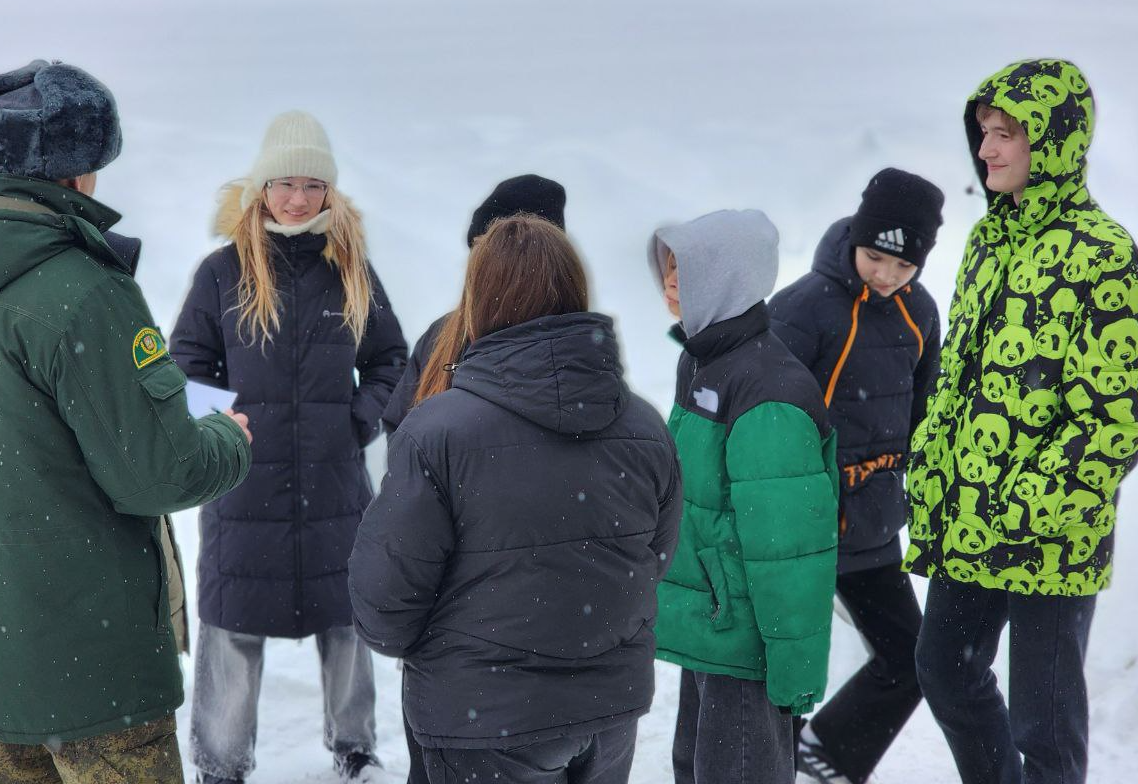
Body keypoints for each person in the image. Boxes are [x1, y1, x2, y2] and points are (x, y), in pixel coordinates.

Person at [0, 59, 253, 783]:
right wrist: (227, 438)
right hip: (93, 667)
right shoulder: (82, 291)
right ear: (81, 167)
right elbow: (161, 473)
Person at [349, 215, 682, 784]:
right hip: (606, 710)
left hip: (483, 717)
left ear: (479, 300)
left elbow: (384, 601)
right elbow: (653, 559)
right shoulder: (644, 426)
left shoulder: (438, 432)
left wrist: (450, 651)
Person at [905, 59, 1138, 784]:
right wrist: (933, 464)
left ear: (1053, 141)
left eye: (1006, 134)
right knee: (944, 668)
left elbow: (1120, 414)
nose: (987, 149)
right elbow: (958, 377)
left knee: (1044, 725)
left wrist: (1029, 503)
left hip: (1052, 531)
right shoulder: (988, 242)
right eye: (984, 132)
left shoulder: (1103, 253)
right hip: (969, 514)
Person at [170, 110, 406, 784]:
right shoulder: (223, 272)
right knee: (232, 623)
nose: (297, 199)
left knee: (347, 621)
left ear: (329, 191)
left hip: (334, 486)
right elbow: (185, 366)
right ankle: (219, 764)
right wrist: (223, 430)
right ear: (261, 189)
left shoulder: (351, 269)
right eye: (284, 184)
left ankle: (354, 751)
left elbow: (391, 362)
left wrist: (357, 420)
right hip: (243, 485)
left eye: (311, 185)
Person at [651, 209, 840, 784]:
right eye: (669, 266)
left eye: (687, 268)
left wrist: (794, 671)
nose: (671, 281)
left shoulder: (767, 394)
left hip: (745, 645)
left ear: (727, 280)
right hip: (714, 627)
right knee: (695, 768)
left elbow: (790, 554)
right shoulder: (703, 360)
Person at [769, 168, 944, 784]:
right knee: (783, 666)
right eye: (876, 258)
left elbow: (924, 412)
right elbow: (765, 419)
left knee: (912, 658)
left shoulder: (920, 312)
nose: (887, 275)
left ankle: (830, 756)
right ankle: (767, 762)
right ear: (855, 240)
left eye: (904, 265)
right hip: (801, 524)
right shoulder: (801, 309)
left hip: (872, 522)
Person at [381, 173, 567, 435]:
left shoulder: (570, 342)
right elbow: (399, 427)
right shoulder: (441, 336)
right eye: (477, 248)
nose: (479, 264)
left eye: (496, 249)